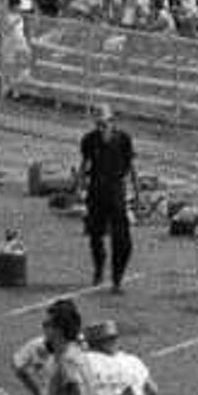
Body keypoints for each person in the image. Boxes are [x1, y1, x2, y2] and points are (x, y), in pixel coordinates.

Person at [75, 103, 138, 291]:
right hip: (96, 192)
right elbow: (84, 164)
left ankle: (117, 277)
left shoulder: (123, 139)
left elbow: (132, 167)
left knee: (122, 241)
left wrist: (137, 193)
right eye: (98, 123)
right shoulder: (89, 140)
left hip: (116, 193)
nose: (102, 126)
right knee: (95, 235)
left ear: (112, 121)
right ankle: (99, 268)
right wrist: (79, 187)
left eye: (105, 122)